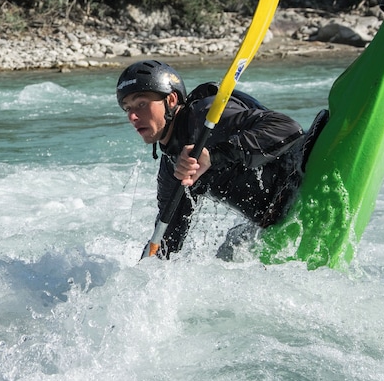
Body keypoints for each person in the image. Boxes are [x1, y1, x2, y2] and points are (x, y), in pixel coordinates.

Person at [116, 59, 327, 259]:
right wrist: (145, 273)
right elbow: (168, 240)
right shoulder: (174, 168)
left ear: (170, 100)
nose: (132, 116)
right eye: (127, 108)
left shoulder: (206, 114)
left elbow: (287, 128)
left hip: (304, 170)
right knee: (230, 252)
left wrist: (214, 155)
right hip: (277, 214)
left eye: (141, 104)